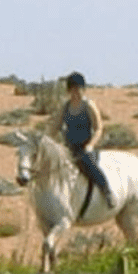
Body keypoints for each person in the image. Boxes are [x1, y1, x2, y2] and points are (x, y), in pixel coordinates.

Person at [50, 72, 115, 208]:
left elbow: (98, 128)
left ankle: (107, 191)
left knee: (87, 163)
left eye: (79, 89)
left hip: (84, 147)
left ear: (84, 89)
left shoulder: (89, 105)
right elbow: (54, 127)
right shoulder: (65, 107)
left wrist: (91, 145)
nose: (77, 92)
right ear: (69, 91)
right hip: (68, 147)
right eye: (73, 89)